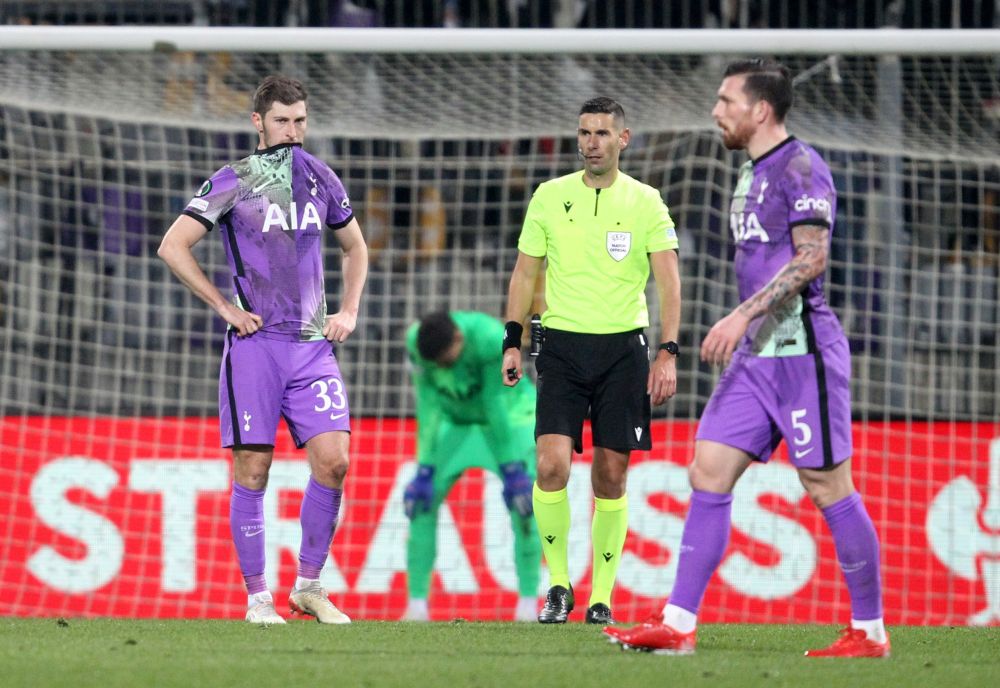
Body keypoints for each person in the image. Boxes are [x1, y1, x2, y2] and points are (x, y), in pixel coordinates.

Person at [605, 59, 888, 657]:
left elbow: (812, 260)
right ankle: (678, 625)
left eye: (727, 100)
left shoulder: (802, 167)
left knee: (827, 483)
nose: (716, 110)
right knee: (707, 469)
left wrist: (740, 315)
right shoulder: (749, 172)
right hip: (756, 360)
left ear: (761, 109)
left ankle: (870, 631)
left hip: (803, 355)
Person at [157, 75, 368, 625]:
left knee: (336, 461)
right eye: (282, 121)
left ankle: (309, 585)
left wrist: (348, 311)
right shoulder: (234, 180)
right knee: (252, 469)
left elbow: (355, 246)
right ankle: (258, 599)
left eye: (300, 121)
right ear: (258, 122)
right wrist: (224, 308)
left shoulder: (320, 177)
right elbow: (173, 245)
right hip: (256, 349)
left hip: (311, 348)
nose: (293, 133)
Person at [502, 97, 681, 625]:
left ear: (623, 139)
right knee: (551, 465)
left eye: (602, 133)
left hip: (624, 351)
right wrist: (511, 341)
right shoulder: (550, 196)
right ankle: (559, 585)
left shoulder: (646, 201)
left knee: (611, 474)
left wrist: (668, 352)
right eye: (584, 133)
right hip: (559, 347)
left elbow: (669, 285)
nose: (591, 143)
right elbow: (524, 274)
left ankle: (602, 595)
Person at [402, 311, 541, 621]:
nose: (441, 368)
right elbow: (427, 404)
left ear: (459, 340)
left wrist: (511, 468)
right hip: (456, 423)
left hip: (510, 419)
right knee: (420, 503)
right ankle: (416, 606)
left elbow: (495, 403)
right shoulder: (416, 343)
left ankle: (529, 604)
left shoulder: (490, 339)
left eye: (447, 361)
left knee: (525, 505)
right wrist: (424, 466)